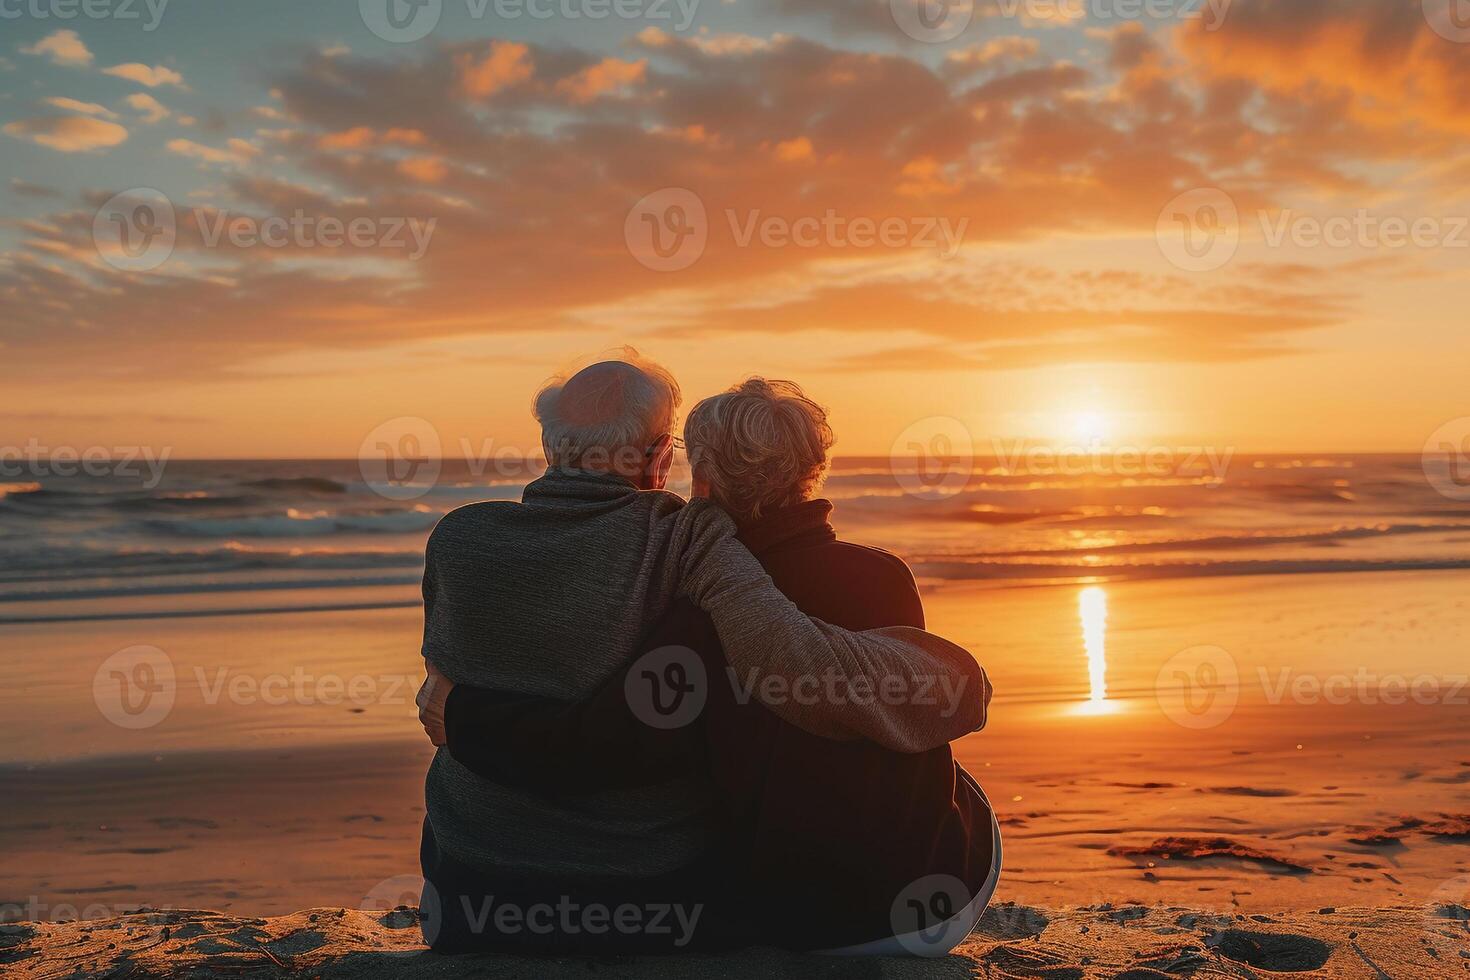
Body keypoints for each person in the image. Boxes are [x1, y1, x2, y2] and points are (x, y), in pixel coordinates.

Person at [415, 352, 990, 954]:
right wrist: (959, 683)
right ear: (661, 457)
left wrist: (460, 718)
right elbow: (782, 666)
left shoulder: (457, 537)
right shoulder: (689, 540)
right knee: (940, 772)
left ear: (548, 443)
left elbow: (451, 674)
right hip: (651, 894)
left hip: (467, 884)